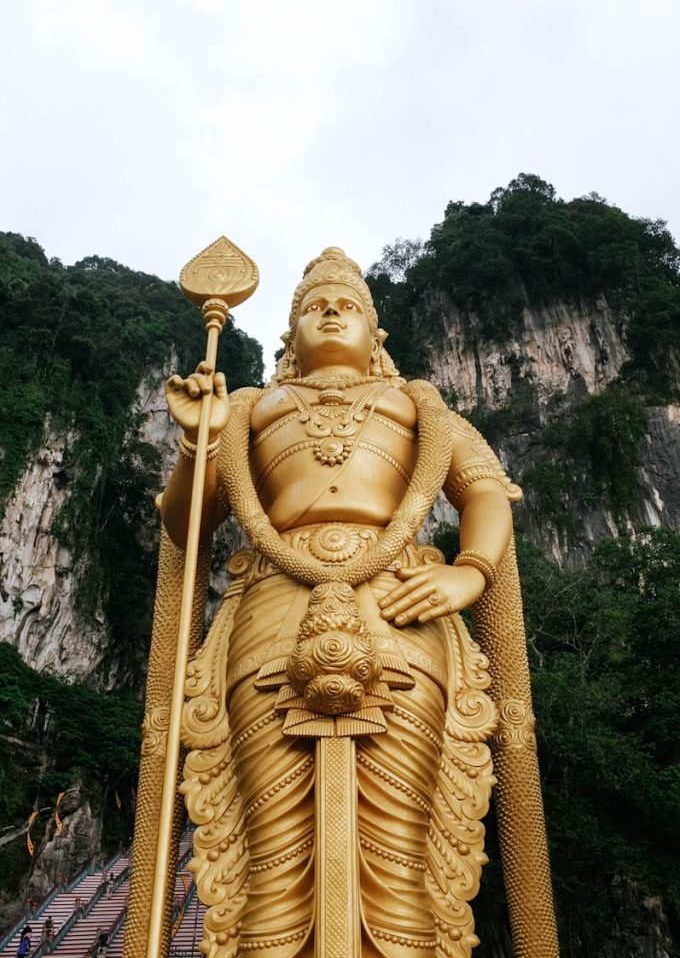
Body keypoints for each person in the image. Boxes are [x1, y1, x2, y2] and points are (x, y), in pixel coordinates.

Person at [142, 248, 557, 958]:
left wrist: (472, 571)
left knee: (403, 843)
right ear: (289, 338)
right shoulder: (249, 409)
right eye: (314, 306)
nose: (331, 311)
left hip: (401, 606)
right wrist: (193, 441)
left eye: (348, 305)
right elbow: (186, 525)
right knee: (270, 845)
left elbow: (485, 491)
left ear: (376, 335)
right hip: (272, 611)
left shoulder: (417, 406)